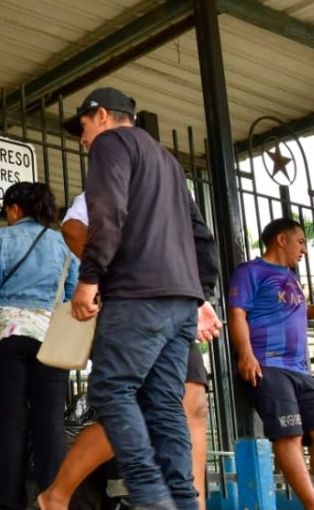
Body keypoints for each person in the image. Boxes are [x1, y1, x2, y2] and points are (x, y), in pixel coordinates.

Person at [65, 87, 222, 510]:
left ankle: (152, 498)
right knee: (165, 405)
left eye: (82, 127)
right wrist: (200, 293)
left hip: (137, 295)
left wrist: (90, 278)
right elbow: (201, 236)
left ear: (99, 116)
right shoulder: (167, 161)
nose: (83, 139)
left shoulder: (110, 144)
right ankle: (183, 503)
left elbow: (107, 212)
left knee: (112, 390)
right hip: (179, 303)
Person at [39, 192, 218, 510]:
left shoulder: (171, 190)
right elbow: (72, 227)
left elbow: (196, 245)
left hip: (176, 301)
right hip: (131, 307)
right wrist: (114, 276)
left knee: (193, 403)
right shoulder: (110, 178)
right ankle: (57, 495)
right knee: (133, 409)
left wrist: (200, 297)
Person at [0, 181, 79, 510]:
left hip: (6, 334)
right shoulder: (64, 243)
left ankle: (11, 505)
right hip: (51, 336)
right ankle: (52, 500)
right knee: (50, 422)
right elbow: (74, 294)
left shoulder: (0, 238)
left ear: (15, 209)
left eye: (7, 211)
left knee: (11, 423)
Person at [229, 218, 314, 510]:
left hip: (300, 370)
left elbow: (292, 308)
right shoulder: (250, 271)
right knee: (288, 433)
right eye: (301, 241)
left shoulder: (291, 277)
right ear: (282, 239)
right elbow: (238, 313)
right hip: (268, 364)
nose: (304, 249)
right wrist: (246, 354)